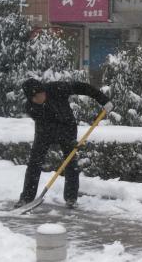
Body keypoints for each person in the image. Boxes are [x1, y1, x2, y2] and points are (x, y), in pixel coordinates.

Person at [16, 78, 111, 209]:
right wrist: (70, 141)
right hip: (44, 131)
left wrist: (104, 100)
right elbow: (50, 126)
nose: (41, 97)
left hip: (67, 126)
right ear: (31, 99)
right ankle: (26, 198)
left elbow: (82, 87)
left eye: (41, 94)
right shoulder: (31, 108)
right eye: (36, 97)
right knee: (34, 163)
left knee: (70, 161)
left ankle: (71, 198)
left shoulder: (57, 88)